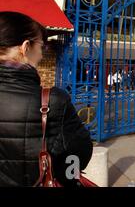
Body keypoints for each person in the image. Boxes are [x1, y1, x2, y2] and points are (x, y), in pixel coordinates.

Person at [0, 11, 93, 186]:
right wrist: (67, 177)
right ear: (25, 47)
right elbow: (79, 152)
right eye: (41, 46)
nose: (42, 55)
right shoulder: (52, 100)